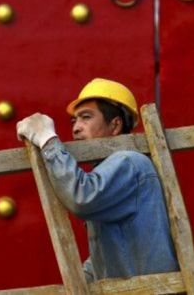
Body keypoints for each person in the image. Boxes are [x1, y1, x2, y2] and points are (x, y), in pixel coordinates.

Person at [16, 78, 179, 282]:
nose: (76, 128)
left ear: (115, 125)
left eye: (86, 117)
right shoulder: (114, 172)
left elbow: (82, 197)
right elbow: (106, 255)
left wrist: (48, 141)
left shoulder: (129, 162)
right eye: (74, 121)